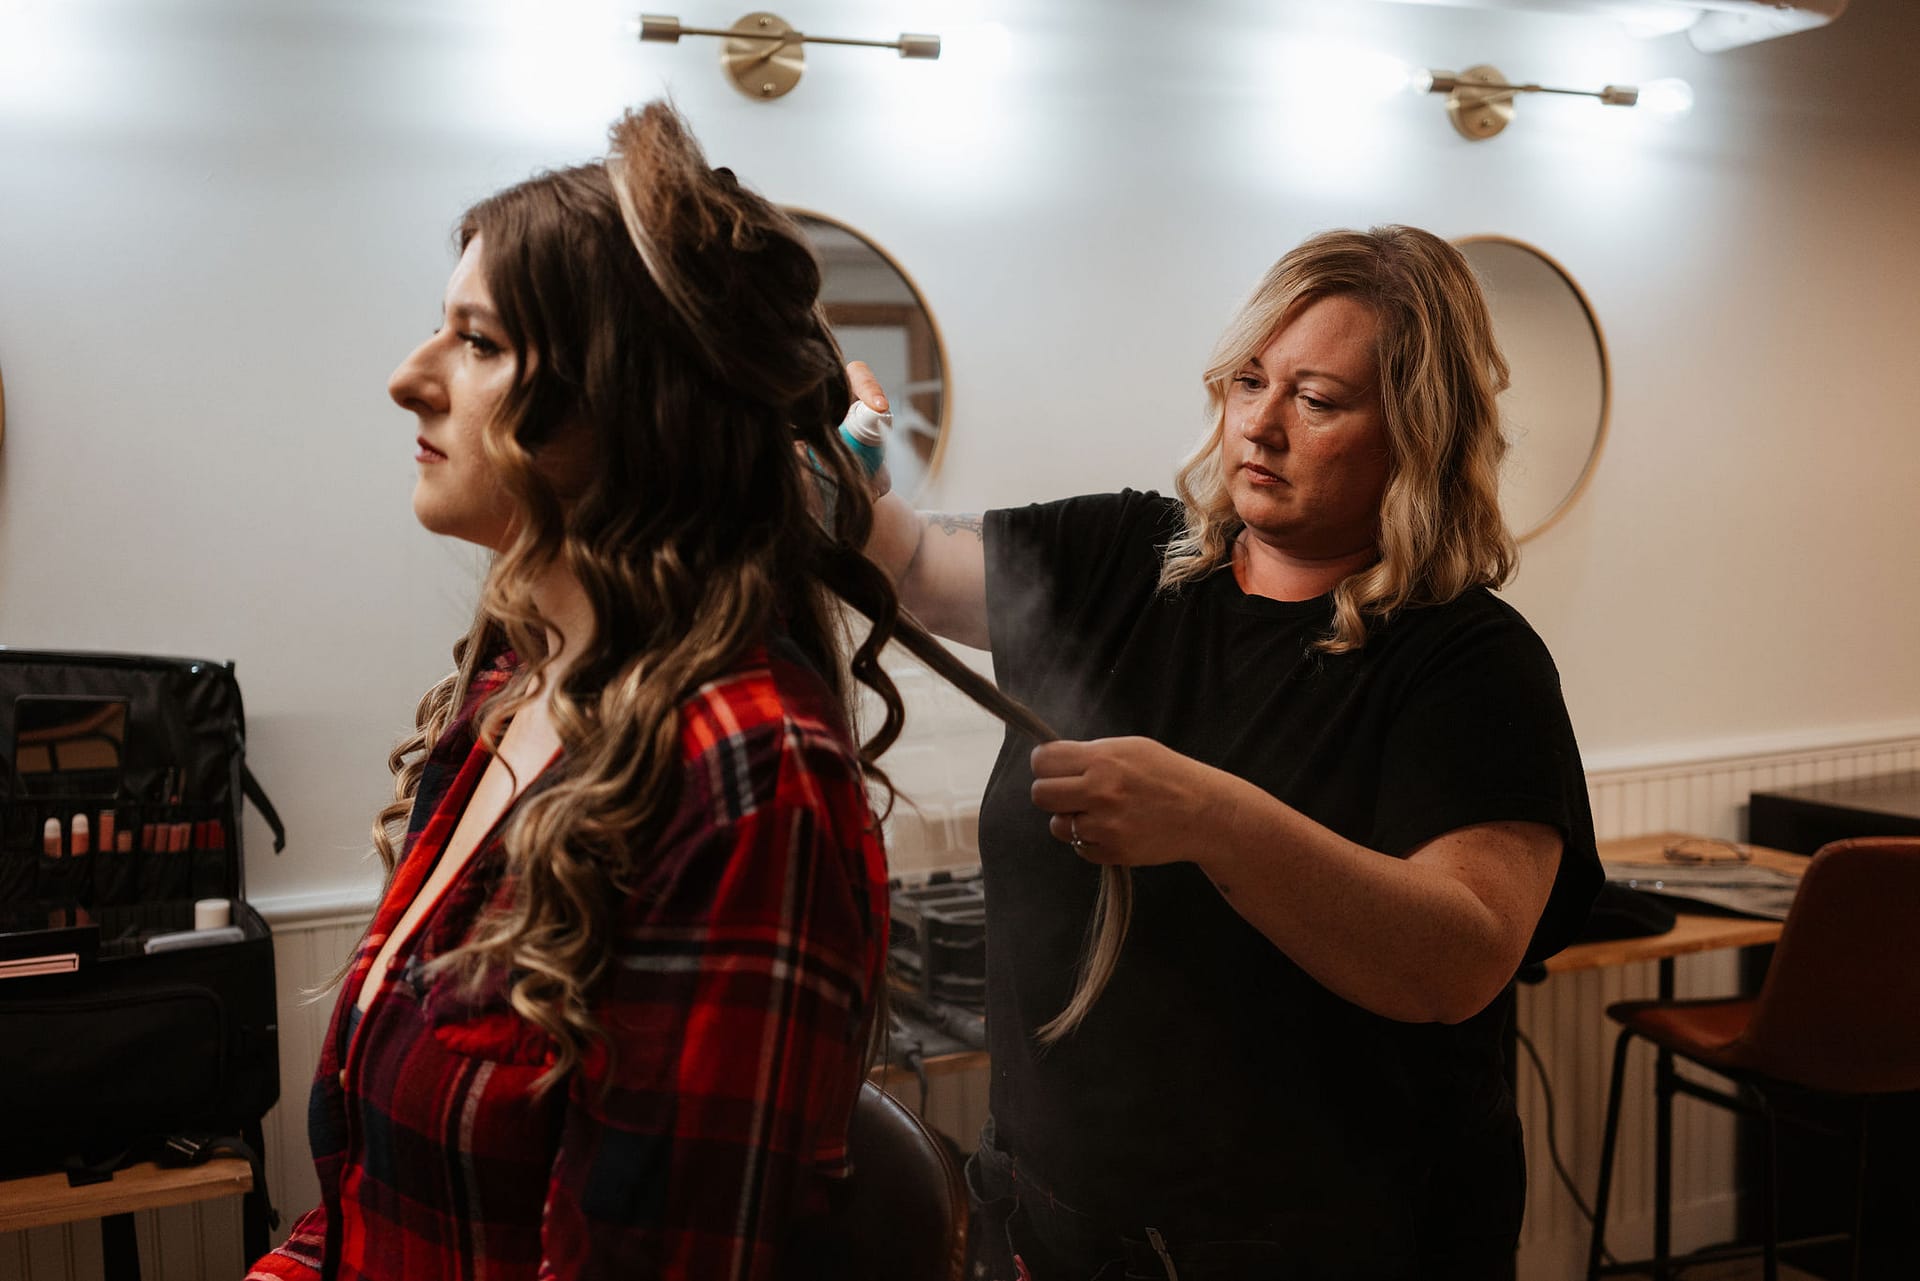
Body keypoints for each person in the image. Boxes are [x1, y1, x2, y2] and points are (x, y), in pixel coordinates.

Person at [246, 101, 1035, 1281]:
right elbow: (369, 1203)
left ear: (624, 401)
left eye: (479, 344)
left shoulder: (745, 770)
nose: (409, 380)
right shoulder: (513, 695)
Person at [858, 225, 1604, 1279]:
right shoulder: (1121, 558)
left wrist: (1216, 820)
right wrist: (846, 476)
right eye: (1249, 380)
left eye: (1317, 400)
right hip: (1055, 1224)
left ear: (1418, 431)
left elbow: (1461, 958)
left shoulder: (1470, 662)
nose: (1259, 424)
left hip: (1328, 1246)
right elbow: (913, 567)